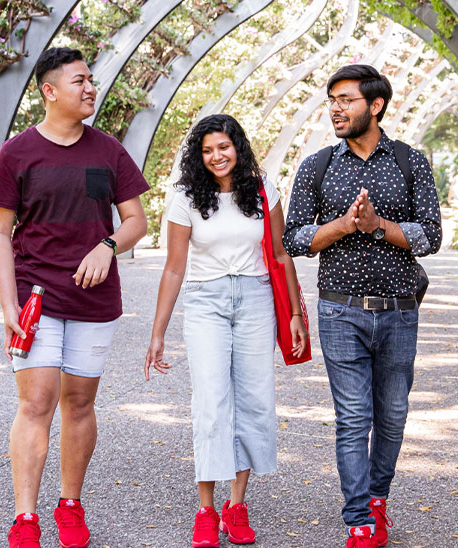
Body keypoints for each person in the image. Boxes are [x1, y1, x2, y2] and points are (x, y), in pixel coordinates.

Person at [0, 47, 149, 548]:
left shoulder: (109, 151)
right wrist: (7, 304)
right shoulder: (17, 152)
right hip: (37, 297)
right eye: (79, 81)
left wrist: (107, 246)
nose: (90, 88)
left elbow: (136, 221)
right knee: (36, 402)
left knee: (79, 403)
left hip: (94, 303)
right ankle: (26, 518)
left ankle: (70, 504)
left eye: (91, 80)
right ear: (49, 91)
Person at [281, 65, 442, 548]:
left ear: (375, 106)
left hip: (398, 311)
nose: (335, 107)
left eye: (346, 99)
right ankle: (359, 519)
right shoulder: (318, 166)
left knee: (392, 414)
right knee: (353, 417)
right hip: (339, 311)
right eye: (332, 99)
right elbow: (294, 238)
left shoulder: (411, 163)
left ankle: (378, 498)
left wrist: (378, 225)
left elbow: (430, 236)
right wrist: (343, 226)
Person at [144, 114, 308, 548]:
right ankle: (205, 510)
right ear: (199, 156)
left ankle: (236, 505)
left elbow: (282, 254)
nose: (217, 156)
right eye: (207, 150)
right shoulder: (185, 197)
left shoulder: (262, 188)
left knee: (254, 400)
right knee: (211, 403)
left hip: (255, 300)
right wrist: (158, 332)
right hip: (206, 302)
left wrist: (293, 313)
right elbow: (174, 268)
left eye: (224, 146)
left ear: (238, 146)